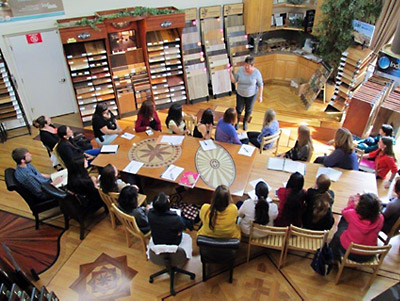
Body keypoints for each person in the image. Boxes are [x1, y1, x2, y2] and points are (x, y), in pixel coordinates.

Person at [330, 193, 384, 262]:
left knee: (343, 222)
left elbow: (344, 212)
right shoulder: (381, 218)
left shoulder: (352, 214)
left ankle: (333, 256)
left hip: (349, 252)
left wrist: (353, 204)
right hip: (369, 254)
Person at [147, 192, 192, 258]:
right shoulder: (175, 218)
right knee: (186, 222)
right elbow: (180, 229)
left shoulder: (150, 214)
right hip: (173, 242)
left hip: (157, 240)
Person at [229, 56, 263, 131]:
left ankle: (245, 122)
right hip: (240, 93)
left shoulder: (256, 73)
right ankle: (237, 122)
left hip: (251, 95)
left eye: (248, 66)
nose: (246, 67)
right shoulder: (240, 70)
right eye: (245, 65)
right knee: (239, 109)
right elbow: (234, 81)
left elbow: (260, 85)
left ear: (252, 66)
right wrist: (230, 72)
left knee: (248, 110)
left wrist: (260, 96)